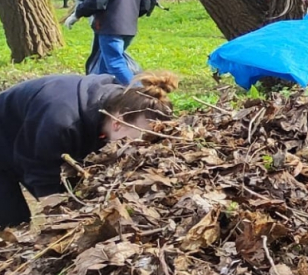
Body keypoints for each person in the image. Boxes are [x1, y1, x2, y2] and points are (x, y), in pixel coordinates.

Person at [0, 72, 178, 228]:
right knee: (13, 223)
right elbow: (43, 177)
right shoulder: (62, 123)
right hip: (10, 136)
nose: (136, 149)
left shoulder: (120, 101)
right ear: (118, 123)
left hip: (27, 136)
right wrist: (63, 225)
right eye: (135, 142)